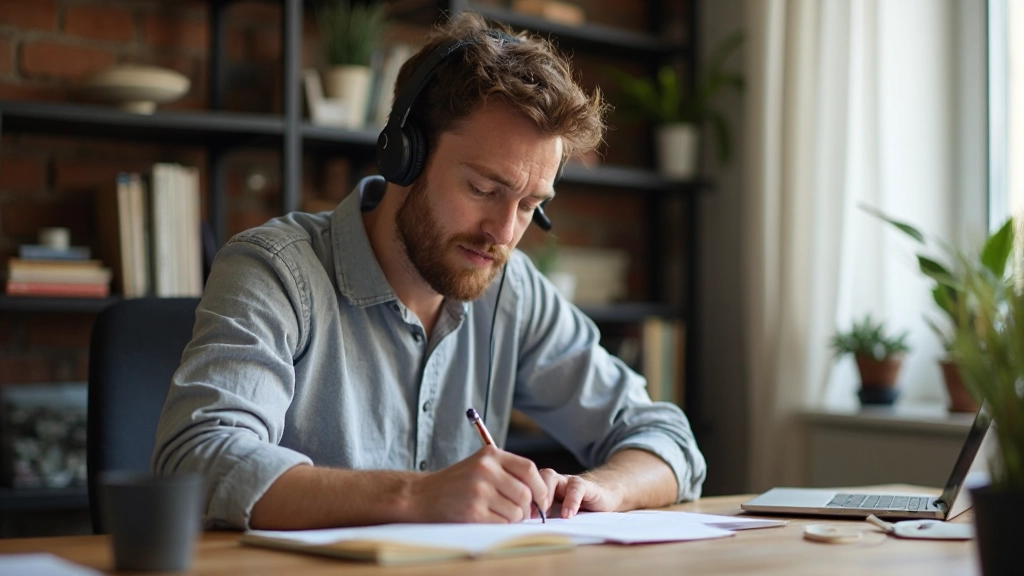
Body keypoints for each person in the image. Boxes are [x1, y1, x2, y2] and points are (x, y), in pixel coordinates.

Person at [153, 12, 705, 531]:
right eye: (485, 190)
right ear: (403, 158)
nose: (505, 232)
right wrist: (416, 497)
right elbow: (197, 458)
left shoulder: (512, 291)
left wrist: (605, 490)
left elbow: (666, 439)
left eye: (531, 204)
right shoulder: (274, 271)